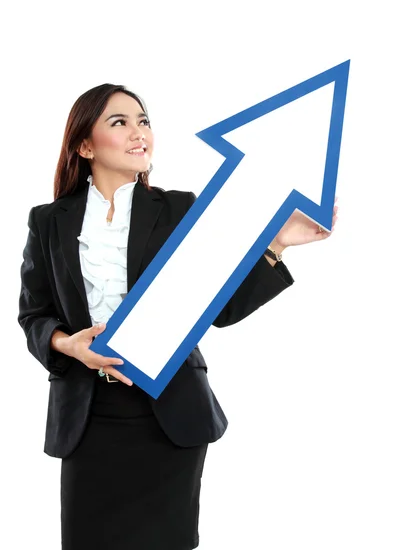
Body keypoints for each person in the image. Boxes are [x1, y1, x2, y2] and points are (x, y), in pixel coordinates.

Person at [18, 83, 338, 550]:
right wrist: (69, 345)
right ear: (85, 145)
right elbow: (35, 315)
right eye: (119, 122)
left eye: (143, 121)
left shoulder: (179, 210)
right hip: (87, 419)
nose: (138, 133)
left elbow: (220, 308)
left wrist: (277, 243)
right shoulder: (48, 221)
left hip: (168, 415)